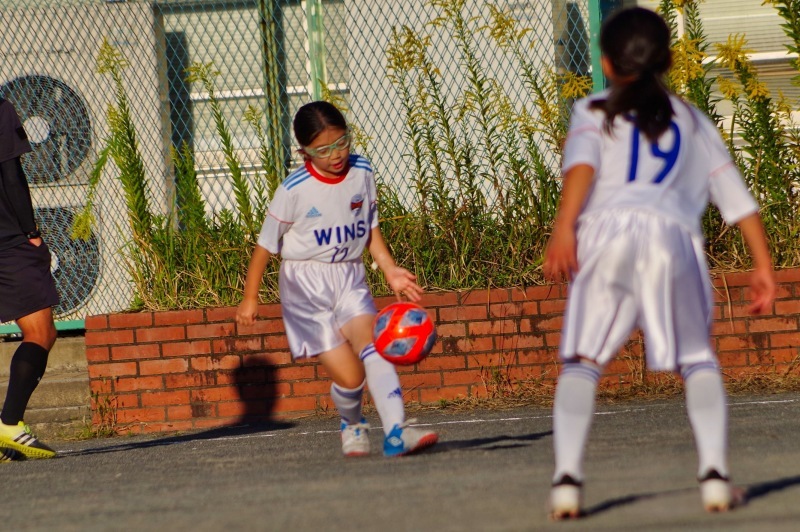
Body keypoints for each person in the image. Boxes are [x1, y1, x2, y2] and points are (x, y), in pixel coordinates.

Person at [542, 7, 776, 519]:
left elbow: (581, 168)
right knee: (696, 359)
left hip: (605, 236)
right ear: (668, 59)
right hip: (671, 241)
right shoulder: (691, 118)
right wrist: (762, 265)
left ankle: (567, 483)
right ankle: (714, 478)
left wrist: (564, 227)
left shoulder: (594, 109)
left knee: (582, 362)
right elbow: (736, 199)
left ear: (605, 63)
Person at [236, 100, 438, 457]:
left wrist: (389, 269)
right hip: (304, 288)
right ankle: (352, 421)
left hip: (349, 276)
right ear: (304, 152)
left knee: (376, 347)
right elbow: (264, 247)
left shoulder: (361, 170)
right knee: (350, 379)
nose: (336, 154)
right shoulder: (293, 190)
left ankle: (397, 432)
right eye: (323, 149)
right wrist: (250, 297)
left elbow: (371, 228)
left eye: (342, 142)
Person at [0, 98, 59, 462]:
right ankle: (8, 426)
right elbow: (11, 175)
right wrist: (31, 231)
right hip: (7, 241)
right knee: (40, 332)